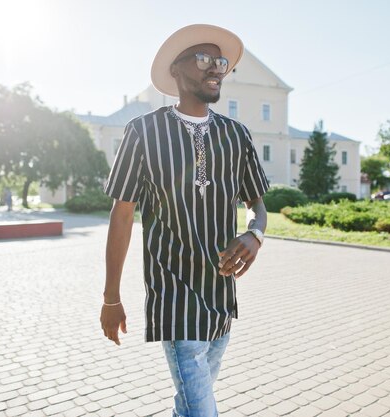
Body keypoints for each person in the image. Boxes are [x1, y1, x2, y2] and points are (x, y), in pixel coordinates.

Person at [100, 24, 269, 417]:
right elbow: (122, 214)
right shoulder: (142, 131)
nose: (216, 69)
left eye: (221, 62)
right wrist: (111, 297)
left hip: (222, 299)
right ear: (176, 70)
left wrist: (255, 234)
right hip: (174, 298)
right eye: (205, 59)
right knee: (201, 411)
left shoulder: (237, 135)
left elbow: (258, 204)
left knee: (192, 405)